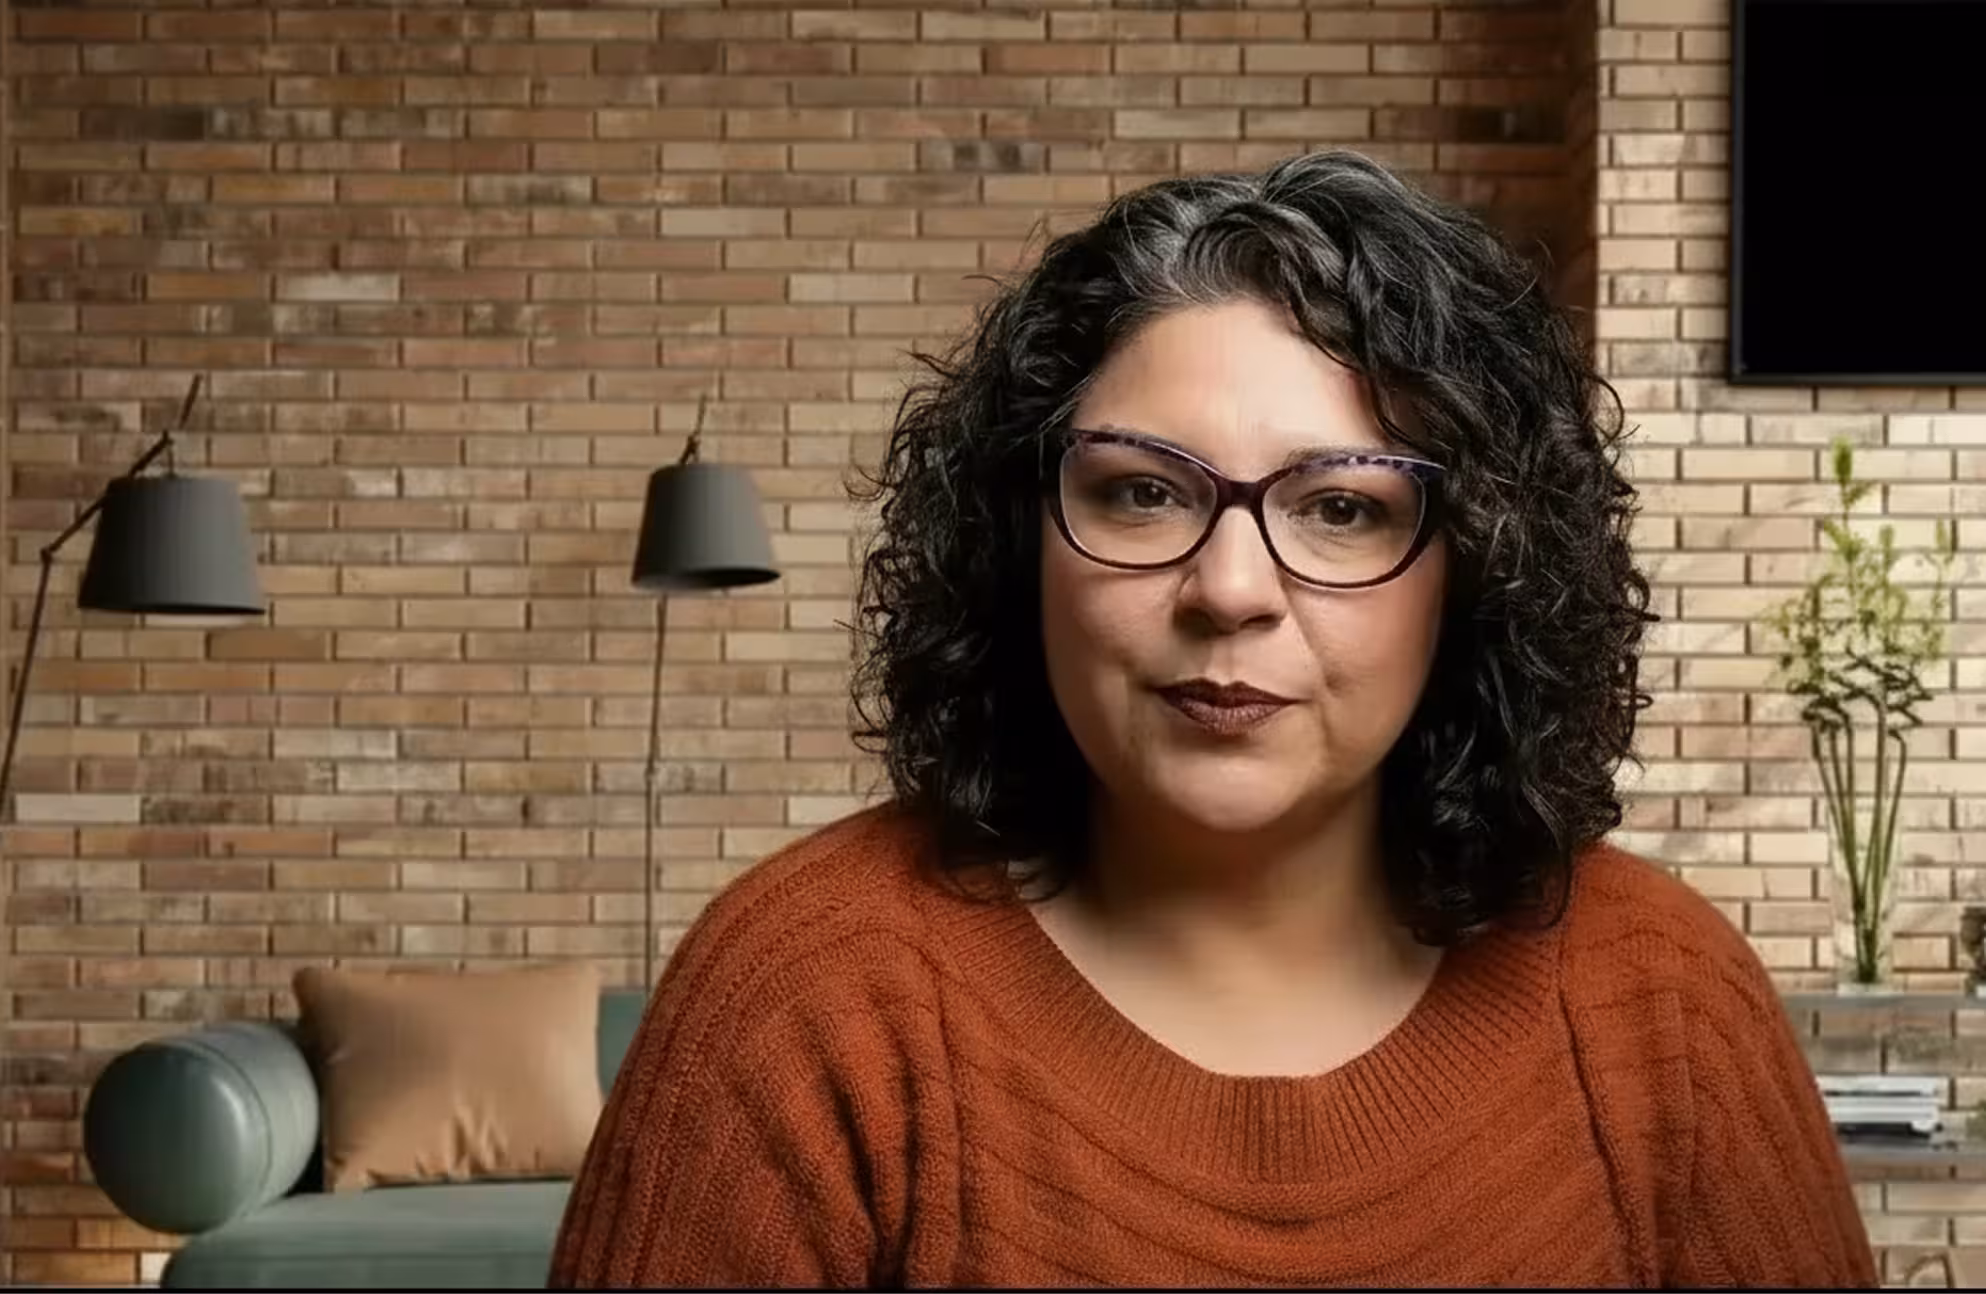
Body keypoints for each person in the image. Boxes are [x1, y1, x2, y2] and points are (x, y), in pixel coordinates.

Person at [548, 149, 1878, 1288]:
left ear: (1472, 565)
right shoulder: (800, 994)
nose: (1227, 588)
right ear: (1024, 539)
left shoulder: (1662, 1006)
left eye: (1341, 506)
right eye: (1140, 494)